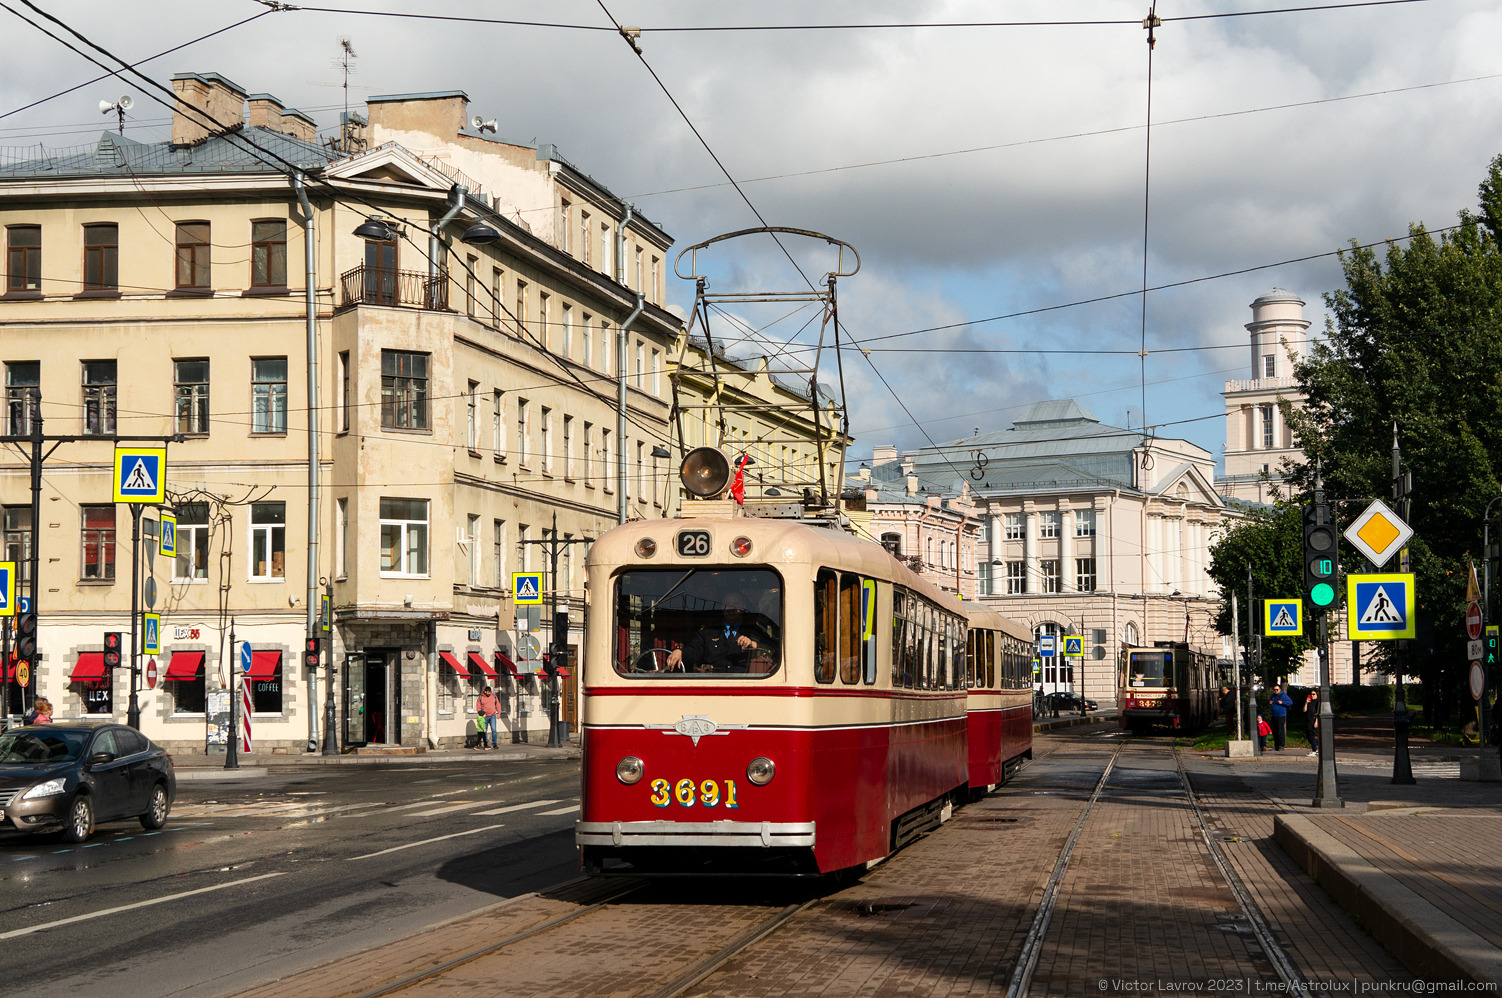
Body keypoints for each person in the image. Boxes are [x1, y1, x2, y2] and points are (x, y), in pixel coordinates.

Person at [666, 592, 774, 673]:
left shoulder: (754, 630)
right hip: (714, 683)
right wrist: (679, 652)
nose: (731, 608)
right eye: (727, 604)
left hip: (744, 685)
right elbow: (695, 650)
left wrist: (753, 645)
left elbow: (773, 650)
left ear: (743, 607)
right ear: (722, 607)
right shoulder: (709, 632)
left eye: (736, 603)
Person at [1267, 683, 1293, 751]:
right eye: (1274, 690)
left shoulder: (1283, 695)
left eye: (1277, 689)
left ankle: (1282, 745)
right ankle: (1276, 745)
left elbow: (1290, 702)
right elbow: (1271, 701)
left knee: (1280, 730)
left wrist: (1282, 702)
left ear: (1280, 689)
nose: (1275, 691)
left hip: (1281, 715)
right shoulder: (1273, 696)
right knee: (1275, 731)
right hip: (1274, 715)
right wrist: (1270, 703)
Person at [1304, 690, 1319, 757]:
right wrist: (1306, 703)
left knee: (1311, 734)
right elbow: (1304, 710)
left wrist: (1316, 721)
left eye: (1313, 694)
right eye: (1311, 694)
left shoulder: (1317, 703)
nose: (1312, 696)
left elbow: (1317, 713)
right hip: (1308, 719)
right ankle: (1315, 748)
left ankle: (1314, 750)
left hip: (1313, 719)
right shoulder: (1310, 702)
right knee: (1308, 735)